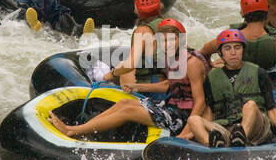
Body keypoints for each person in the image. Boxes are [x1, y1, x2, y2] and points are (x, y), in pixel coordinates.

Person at [48, 18, 205, 141]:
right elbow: (168, 86)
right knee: (124, 102)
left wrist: (184, 136)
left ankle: (71, 131)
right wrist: (136, 86)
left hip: (182, 117)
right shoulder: (173, 57)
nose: (168, 44)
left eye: (173, 40)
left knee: (128, 111)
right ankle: (82, 129)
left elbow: (200, 102)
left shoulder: (191, 63)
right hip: (170, 108)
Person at [185, 29, 276, 149]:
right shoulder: (211, 78)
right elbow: (209, 112)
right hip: (227, 129)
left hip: (257, 127)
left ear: (243, 50)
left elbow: (272, 110)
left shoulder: (259, 73)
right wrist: (196, 132)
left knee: (250, 105)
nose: (233, 52)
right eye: (227, 48)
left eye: (237, 47)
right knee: (193, 120)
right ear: (220, 53)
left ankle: (241, 138)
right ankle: (213, 145)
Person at [200, 0, 276, 69]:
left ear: (242, 13)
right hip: (266, 80)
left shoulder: (229, 37)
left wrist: (211, 67)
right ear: (267, 12)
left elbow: (204, 51)